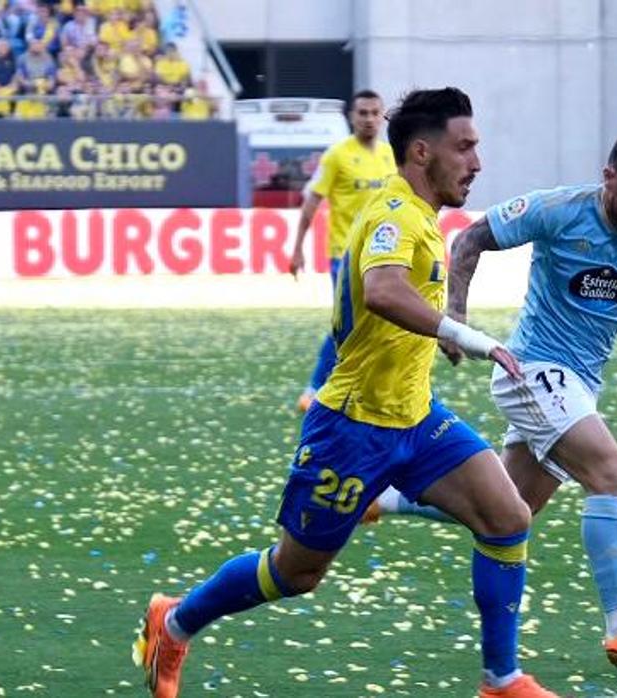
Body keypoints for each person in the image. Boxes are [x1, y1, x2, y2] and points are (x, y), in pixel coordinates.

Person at [133, 87, 559, 698]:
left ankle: (501, 680)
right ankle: (174, 623)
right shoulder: (394, 213)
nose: (477, 162)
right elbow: (384, 289)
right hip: (351, 427)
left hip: (416, 418)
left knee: (507, 518)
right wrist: (467, 333)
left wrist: (436, 334)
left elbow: (399, 300)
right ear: (421, 152)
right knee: (295, 571)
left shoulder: (423, 215)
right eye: (464, 147)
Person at [370, 130, 617, 667]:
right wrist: (456, 318)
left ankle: (380, 499)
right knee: (609, 470)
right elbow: (469, 240)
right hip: (530, 371)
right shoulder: (560, 209)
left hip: (577, 386)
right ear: (609, 178)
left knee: (509, 508)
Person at [290, 89, 397, 412]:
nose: (368, 119)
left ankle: (368, 390)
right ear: (352, 116)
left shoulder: (390, 156)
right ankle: (314, 390)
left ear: (382, 117)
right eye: (362, 112)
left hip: (383, 257)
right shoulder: (336, 156)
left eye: (374, 113)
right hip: (345, 256)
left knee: (384, 324)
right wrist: (297, 249)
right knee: (348, 325)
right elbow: (312, 203)